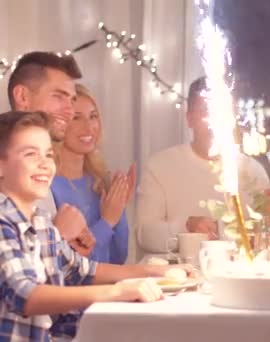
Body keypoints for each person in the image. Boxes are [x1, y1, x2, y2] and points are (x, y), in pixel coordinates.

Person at [0, 111, 189, 341]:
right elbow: (25, 295)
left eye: (49, 155)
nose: (44, 164)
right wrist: (116, 292)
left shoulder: (40, 221)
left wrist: (156, 271)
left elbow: (84, 270)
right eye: (31, 154)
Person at [136, 77, 270, 256]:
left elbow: (266, 235)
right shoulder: (160, 166)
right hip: (174, 276)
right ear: (189, 119)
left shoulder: (253, 172)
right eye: (206, 111)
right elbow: (144, 235)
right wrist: (185, 227)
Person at [7, 51, 100, 256]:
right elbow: (15, 279)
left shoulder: (43, 169)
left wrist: (69, 251)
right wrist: (59, 236)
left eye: (71, 99)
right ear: (22, 96)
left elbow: (49, 268)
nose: (69, 110)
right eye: (58, 96)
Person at [51, 84, 130, 264]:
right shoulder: (48, 186)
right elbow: (68, 266)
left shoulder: (98, 180)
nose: (89, 127)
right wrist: (107, 221)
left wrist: (119, 208)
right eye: (76, 118)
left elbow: (119, 257)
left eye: (93, 117)